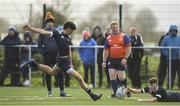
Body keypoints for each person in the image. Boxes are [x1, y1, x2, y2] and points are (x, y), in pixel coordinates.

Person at [20, 21, 102, 101]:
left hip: (63, 61)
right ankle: (92, 95)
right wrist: (31, 29)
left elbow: (68, 50)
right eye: (72, 30)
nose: (72, 32)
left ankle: (34, 64)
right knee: (79, 78)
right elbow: (43, 31)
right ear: (68, 28)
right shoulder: (57, 33)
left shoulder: (68, 38)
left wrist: (71, 62)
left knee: (52, 72)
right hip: (63, 62)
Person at [38, 12, 69, 97]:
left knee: (60, 73)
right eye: (48, 21)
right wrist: (43, 53)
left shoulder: (57, 32)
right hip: (47, 55)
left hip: (57, 55)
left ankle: (62, 91)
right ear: (46, 23)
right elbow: (39, 45)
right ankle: (49, 91)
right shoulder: (43, 32)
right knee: (48, 73)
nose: (50, 23)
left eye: (51, 21)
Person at [102, 21, 131, 98]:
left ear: (118, 28)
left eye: (115, 27)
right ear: (110, 29)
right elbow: (106, 51)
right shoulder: (108, 38)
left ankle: (127, 89)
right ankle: (115, 93)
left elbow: (128, 48)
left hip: (121, 59)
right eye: (113, 28)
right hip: (112, 59)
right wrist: (104, 61)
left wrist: (125, 58)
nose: (114, 29)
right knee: (112, 75)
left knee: (121, 77)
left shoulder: (124, 36)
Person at [161, 25, 180, 89]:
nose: (173, 32)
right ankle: (169, 86)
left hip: (178, 59)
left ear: (176, 31)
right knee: (171, 74)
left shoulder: (179, 38)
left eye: (174, 30)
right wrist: (167, 54)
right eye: (172, 30)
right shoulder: (166, 38)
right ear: (170, 31)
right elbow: (162, 47)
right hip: (170, 59)